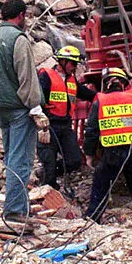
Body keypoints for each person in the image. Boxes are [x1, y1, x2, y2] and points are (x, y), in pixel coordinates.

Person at [0, 0, 49, 232]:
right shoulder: (18, 39)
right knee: (20, 161)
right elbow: (27, 77)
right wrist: (36, 107)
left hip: (1, 108)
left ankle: (18, 206)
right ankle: (15, 212)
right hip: (19, 108)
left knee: (12, 157)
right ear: (20, 16)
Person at [84, 68, 132, 225]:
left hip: (111, 156)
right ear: (124, 84)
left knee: (100, 189)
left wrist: (89, 154)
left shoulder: (100, 102)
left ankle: (91, 221)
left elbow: (91, 132)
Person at [37, 45, 96, 192]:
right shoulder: (46, 76)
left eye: (76, 64)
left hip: (65, 125)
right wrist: (41, 124)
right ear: (62, 62)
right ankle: (48, 187)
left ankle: (46, 174)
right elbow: (37, 100)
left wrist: (99, 97)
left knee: (74, 160)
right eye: (72, 63)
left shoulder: (71, 80)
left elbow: (83, 92)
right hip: (49, 125)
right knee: (48, 160)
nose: (74, 67)